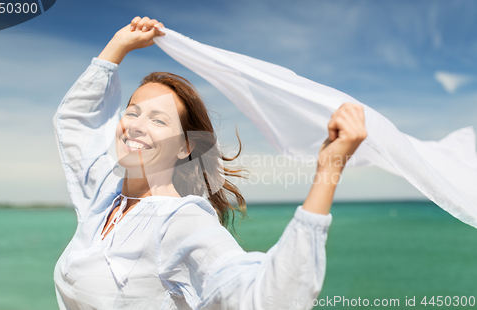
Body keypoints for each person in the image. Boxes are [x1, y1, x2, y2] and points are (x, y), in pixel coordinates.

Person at [53, 16, 367, 310]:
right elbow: (75, 125)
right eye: (133, 112)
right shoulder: (106, 195)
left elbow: (264, 298)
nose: (135, 125)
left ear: (184, 147)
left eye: (158, 120)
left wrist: (329, 169)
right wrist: (118, 46)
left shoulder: (179, 220)